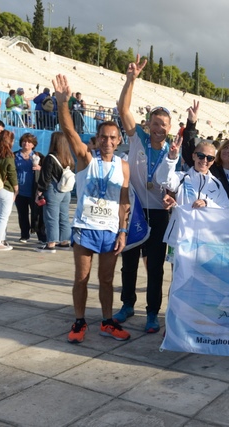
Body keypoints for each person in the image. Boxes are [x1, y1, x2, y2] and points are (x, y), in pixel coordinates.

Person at [52, 74, 132, 344]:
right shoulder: (86, 159)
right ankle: (79, 321)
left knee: (107, 280)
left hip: (110, 230)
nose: (108, 141)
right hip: (85, 227)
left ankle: (108, 322)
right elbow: (69, 132)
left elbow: (124, 201)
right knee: (82, 278)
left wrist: (123, 231)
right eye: (103, 137)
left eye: (112, 137)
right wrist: (62, 103)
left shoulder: (123, 166)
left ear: (118, 140)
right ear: (96, 139)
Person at [114, 56, 173, 333]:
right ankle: (127, 304)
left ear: (170, 128)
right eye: (155, 123)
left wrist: (173, 197)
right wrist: (131, 80)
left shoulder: (173, 151)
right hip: (135, 211)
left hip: (160, 215)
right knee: (128, 263)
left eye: (164, 125)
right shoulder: (137, 137)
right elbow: (123, 108)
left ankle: (152, 312)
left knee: (156, 268)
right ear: (148, 124)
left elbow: (177, 183)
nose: (159, 128)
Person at [156, 139, 229, 209]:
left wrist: (207, 203)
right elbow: (163, 180)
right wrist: (171, 158)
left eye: (210, 158)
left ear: (213, 161)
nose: (205, 160)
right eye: (201, 155)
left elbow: (225, 207)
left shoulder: (216, 184)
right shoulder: (181, 178)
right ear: (193, 156)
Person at [36, 132, 74, 253]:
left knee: (51, 217)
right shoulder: (69, 157)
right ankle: (64, 241)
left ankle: (51, 243)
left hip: (53, 190)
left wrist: (39, 192)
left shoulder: (51, 157)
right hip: (66, 191)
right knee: (64, 216)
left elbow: (45, 177)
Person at [14, 133, 45, 243]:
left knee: (38, 214)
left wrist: (40, 168)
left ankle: (41, 236)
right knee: (22, 214)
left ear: (33, 144)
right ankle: (24, 235)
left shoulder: (38, 156)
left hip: (35, 191)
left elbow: (47, 171)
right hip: (19, 190)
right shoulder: (14, 156)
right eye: (24, 141)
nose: (26, 143)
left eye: (29, 142)